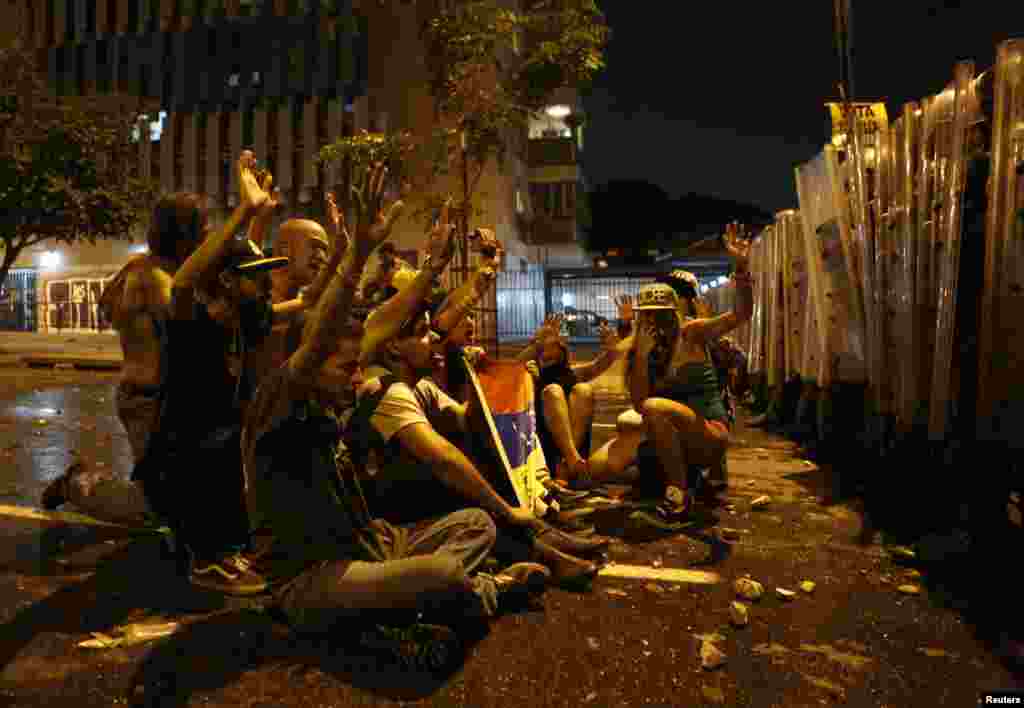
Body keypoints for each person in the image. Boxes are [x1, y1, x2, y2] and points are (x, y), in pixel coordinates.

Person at [240, 164, 549, 661]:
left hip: (373, 548)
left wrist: (431, 269)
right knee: (443, 575)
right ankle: (479, 593)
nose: (356, 376)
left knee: (477, 524)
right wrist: (358, 250)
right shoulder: (283, 396)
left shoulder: (332, 391)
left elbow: (379, 324)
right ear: (310, 364)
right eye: (343, 367)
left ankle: (413, 610)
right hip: (314, 578)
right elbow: (323, 337)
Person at [40, 192, 207, 516]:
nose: (207, 236)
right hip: (147, 399)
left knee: (173, 491)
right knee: (155, 505)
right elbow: (185, 327)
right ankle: (77, 484)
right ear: (184, 232)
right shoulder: (154, 277)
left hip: (159, 398)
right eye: (202, 228)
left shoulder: (148, 268)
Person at [626, 225, 753, 527]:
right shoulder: (646, 347)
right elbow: (639, 404)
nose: (658, 321)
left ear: (675, 310)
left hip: (708, 434)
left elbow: (741, 314)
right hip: (675, 438)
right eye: (650, 315)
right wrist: (640, 356)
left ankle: (679, 498)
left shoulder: (692, 332)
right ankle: (684, 482)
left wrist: (742, 268)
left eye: (663, 313)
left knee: (655, 410)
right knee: (600, 468)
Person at [519, 315, 625, 489]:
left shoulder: (574, 373)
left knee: (583, 390)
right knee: (553, 391)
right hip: (547, 443)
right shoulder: (532, 374)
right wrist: (539, 341)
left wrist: (610, 347)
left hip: (573, 447)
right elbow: (514, 364)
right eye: (546, 346)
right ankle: (569, 463)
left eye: (556, 345)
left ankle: (568, 463)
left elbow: (600, 364)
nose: (551, 348)